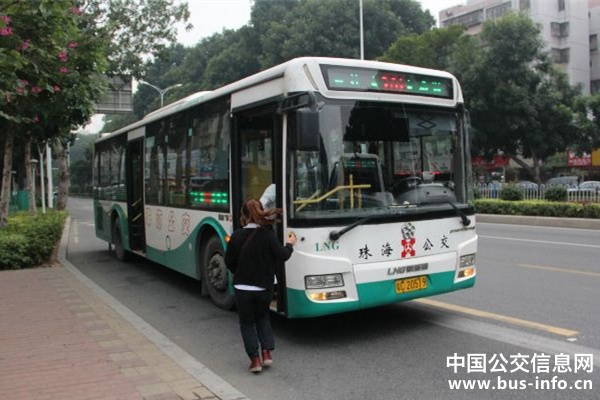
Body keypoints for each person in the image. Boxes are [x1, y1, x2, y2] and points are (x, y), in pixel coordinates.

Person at [225, 198, 297, 373]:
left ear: (243, 216)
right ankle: (266, 353)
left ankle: (255, 360)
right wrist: (290, 244)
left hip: (242, 288)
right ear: (260, 212)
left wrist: (239, 271)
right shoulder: (268, 235)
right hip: (264, 287)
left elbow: (229, 262)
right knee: (263, 318)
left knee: (246, 323)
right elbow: (283, 255)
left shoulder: (236, 236)